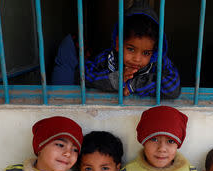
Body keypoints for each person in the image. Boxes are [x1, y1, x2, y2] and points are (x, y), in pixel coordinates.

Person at [52, 2, 181, 99]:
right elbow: (85, 75)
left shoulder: (159, 62)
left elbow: (173, 88)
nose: (137, 58)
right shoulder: (107, 58)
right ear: (119, 43)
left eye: (146, 53)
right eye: (131, 49)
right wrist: (116, 79)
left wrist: (133, 85)